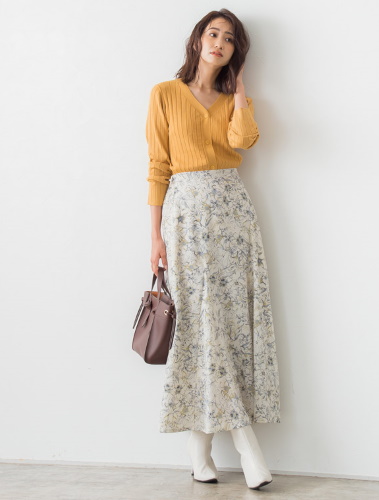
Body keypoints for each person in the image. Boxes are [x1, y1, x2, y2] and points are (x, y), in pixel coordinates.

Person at [146, 8, 281, 490]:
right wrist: (155, 237)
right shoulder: (164, 94)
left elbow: (243, 141)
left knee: (229, 325)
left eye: (229, 39)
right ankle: (247, 448)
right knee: (199, 325)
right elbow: (158, 167)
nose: (219, 43)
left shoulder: (233, 100)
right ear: (197, 40)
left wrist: (239, 89)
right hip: (184, 218)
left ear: (234, 52)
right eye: (213, 33)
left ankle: (199, 447)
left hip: (232, 216)